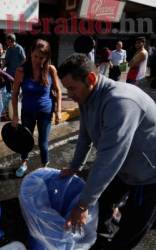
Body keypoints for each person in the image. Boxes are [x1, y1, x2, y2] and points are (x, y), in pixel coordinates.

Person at [57, 53, 156, 250]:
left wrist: (82, 205)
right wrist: (74, 167)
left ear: (91, 79)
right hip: (124, 167)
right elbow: (85, 137)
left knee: (131, 228)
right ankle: (102, 238)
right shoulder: (87, 97)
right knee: (102, 203)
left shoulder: (120, 102)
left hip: (150, 174)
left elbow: (109, 159)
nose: (69, 95)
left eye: (71, 88)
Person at [12, 39, 62, 177]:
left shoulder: (50, 70)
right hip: (27, 112)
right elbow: (15, 94)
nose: (37, 60)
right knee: (25, 141)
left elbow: (58, 90)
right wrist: (15, 115)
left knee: (43, 143)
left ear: (46, 57)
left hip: (45, 112)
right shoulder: (21, 70)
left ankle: (44, 166)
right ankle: (23, 163)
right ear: (31, 53)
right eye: (35, 56)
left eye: (41, 58)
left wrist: (58, 111)